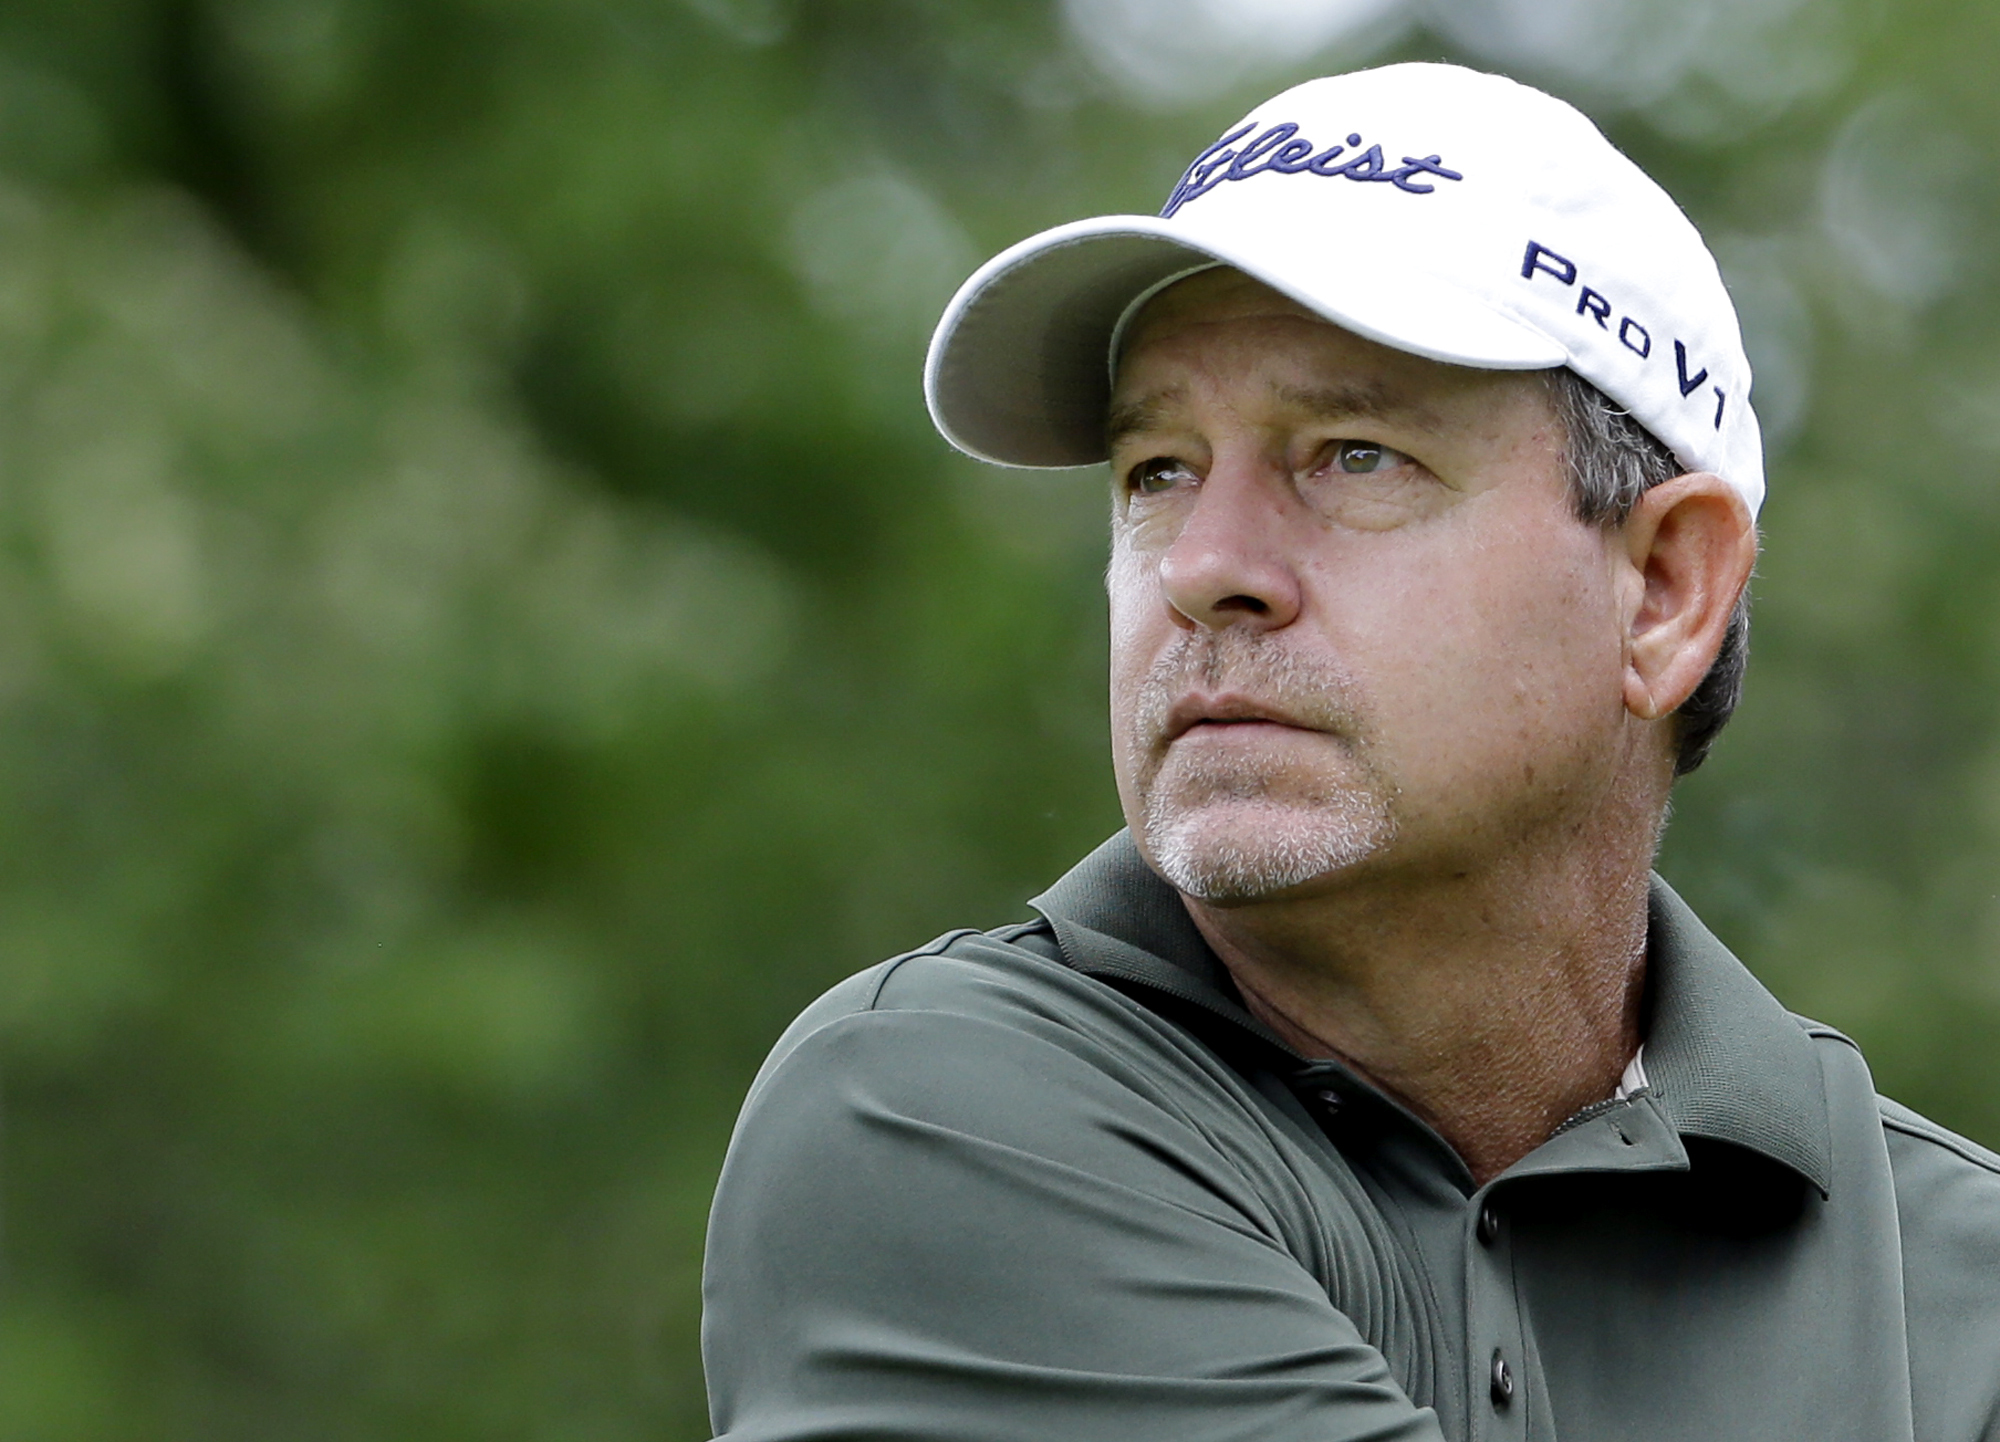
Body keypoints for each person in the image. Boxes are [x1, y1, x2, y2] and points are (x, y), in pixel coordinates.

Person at [701, 63, 2000, 1442]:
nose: (1203, 566)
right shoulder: (923, 1109)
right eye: (1157, 470)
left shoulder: (1963, 1284)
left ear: (1665, 591)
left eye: (1354, 455)